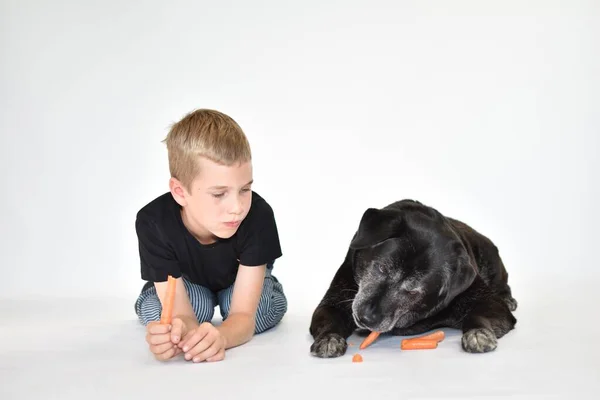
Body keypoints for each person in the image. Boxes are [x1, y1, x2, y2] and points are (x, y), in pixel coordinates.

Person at [133, 108, 287, 363]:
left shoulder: (258, 215)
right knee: (178, 312)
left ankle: (267, 288)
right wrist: (180, 333)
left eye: (245, 189)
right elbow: (182, 314)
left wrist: (221, 337)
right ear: (180, 192)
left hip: (239, 283)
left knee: (261, 310)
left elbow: (243, 317)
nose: (237, 207)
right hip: (187, 285)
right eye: (219, 194)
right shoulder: (153, 221)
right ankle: (155, 304)